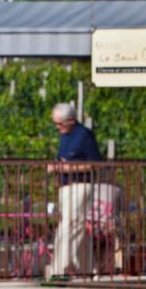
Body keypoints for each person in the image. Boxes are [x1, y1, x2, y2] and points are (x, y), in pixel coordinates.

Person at [45, 103, 116, 279]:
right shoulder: (64, 135)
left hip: (80, 186)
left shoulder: (84, 135)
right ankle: (88, 269)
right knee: (77, 228)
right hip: (66, 188)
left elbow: (94, 164)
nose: (57, 127)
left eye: (60, 124)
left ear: (70, 121)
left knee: (69, 227)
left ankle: (58, 270)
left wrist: (66, 168)